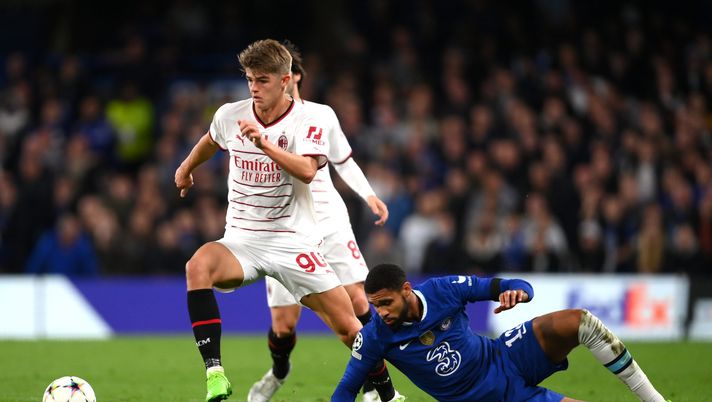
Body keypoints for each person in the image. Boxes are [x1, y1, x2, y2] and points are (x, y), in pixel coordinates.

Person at [175, 39, 400, 402]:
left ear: (285, 80)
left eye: (262, 80)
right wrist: (185, 168)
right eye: (249, 79)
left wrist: (265, 145)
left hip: (293, 240)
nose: (253, 88)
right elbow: (211, 140)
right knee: (197, 267)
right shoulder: (230, 114)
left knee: (349, 325)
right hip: (242, 240)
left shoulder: (312, 119)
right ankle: (215, 373)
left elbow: (309, 170)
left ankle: (388, 395)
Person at [247, 41, 391, 402]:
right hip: (285, 226)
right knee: (284, 326)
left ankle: (376, 384)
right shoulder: (255, 120)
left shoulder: (321, 116)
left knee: (358, 300)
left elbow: (342, 160)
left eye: (288, 73)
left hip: (327, 218)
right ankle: (279, 371)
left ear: (293, 77)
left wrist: (368, 194)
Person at [333, 263, 671, 402]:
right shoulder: (375, 336)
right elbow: (345, 390)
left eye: (387, 303)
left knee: (577, 320)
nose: (381, 313)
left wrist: (518, 292)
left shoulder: (443, 290)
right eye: (375, 306)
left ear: (406, 290)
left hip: (504, 356)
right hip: (487, 398)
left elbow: (512, 285)